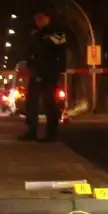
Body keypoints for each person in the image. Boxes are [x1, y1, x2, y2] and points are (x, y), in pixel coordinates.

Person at [19, 12, 68, 142]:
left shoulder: (56, 33)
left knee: (49, 103)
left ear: (48, 18)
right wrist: (29, 66)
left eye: (42, 17)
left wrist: (58, 70)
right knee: (31, 102)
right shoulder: (34, 33)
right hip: (36, 72)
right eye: (37, 18)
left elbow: (61, 52)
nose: (39, 20)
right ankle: (31, 131)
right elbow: (30, 52)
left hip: (49, 73)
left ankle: (51, 133)